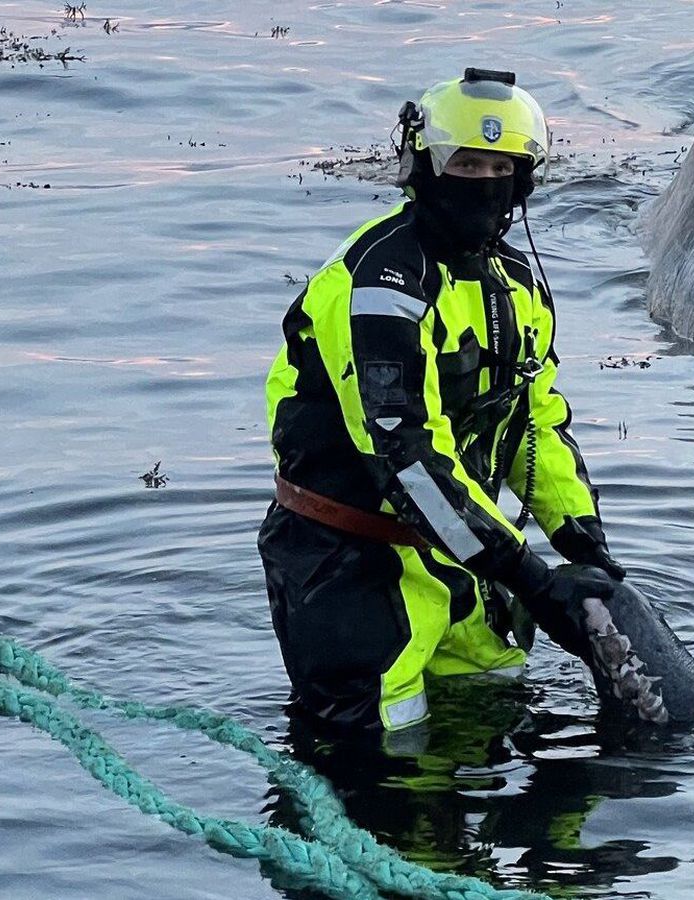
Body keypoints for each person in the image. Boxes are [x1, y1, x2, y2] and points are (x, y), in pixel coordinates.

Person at [258, 68, 626, 733]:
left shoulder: (512, 283)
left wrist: (581, 541)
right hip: (352, 571)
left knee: (491, 729)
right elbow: (407, 460)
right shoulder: (379, 285)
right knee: (378, 778)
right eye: (466, 163)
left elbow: (532, 418)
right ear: (424, 164)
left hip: (468, 566)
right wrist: (538, 587)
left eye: (500, 166)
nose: (484, 183)